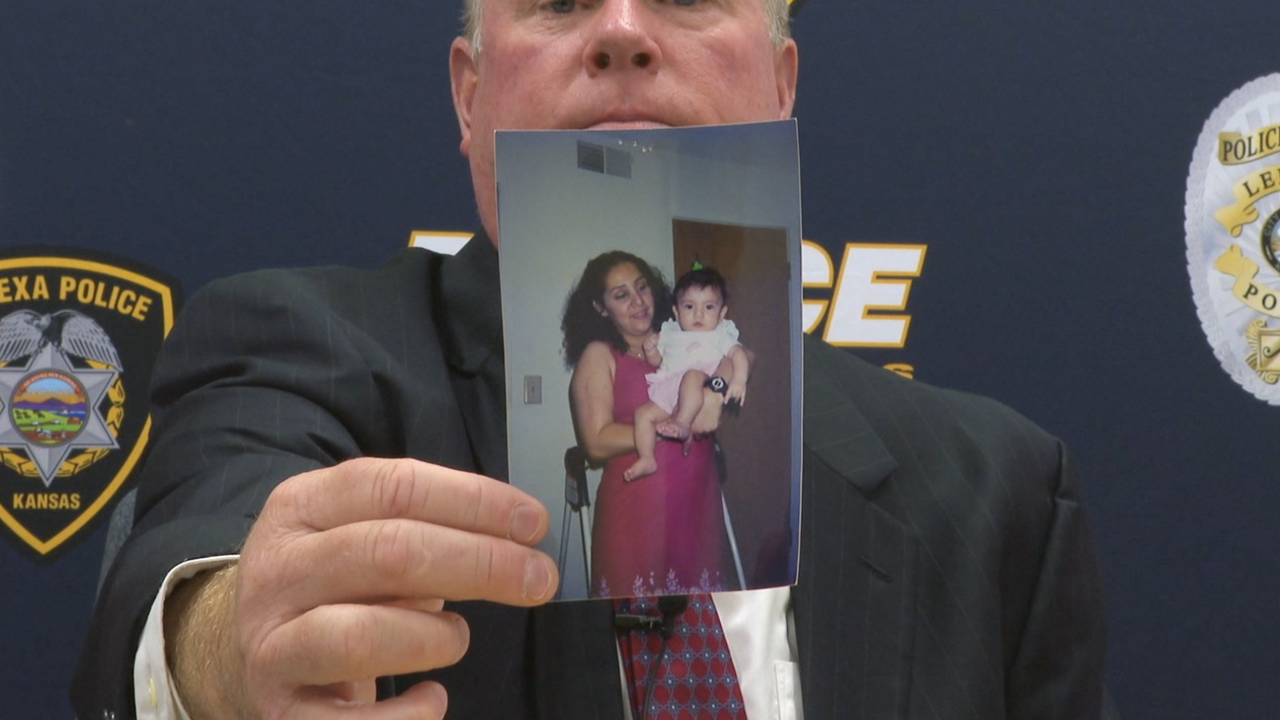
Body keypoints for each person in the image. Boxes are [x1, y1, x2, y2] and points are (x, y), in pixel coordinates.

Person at [73, 1, 1111, 719]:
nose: (621, 33)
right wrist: (227, 645)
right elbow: (202, 555)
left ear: (779, 81)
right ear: (468, 96)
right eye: (561, 3)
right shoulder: (302, 351)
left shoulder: (996, 490)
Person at [562, 253, 735, 597]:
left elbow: (740, 355)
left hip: (698, 506)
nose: (639, 301)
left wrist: (716, 392)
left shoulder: (680, 336)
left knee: (701, 636)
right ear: (600, 307)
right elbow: (595, 442)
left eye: (642, 287)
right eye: (621, 294)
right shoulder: (599, 354)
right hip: (636, 516)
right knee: (639, 636)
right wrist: (669, 427)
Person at [626, 266, 749, 482]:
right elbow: (660, 362)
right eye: (689, 306)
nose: (698, 314)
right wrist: (651, 351)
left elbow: (739, 355)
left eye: (709, 307)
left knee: (692, 376)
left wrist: (739, 380)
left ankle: (682, 423)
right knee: (642, 415)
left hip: (699, 381)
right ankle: (647, 458)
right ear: (676, 312)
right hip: (671, 386)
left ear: (722, 313)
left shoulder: (720, 334)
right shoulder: (671, 334)